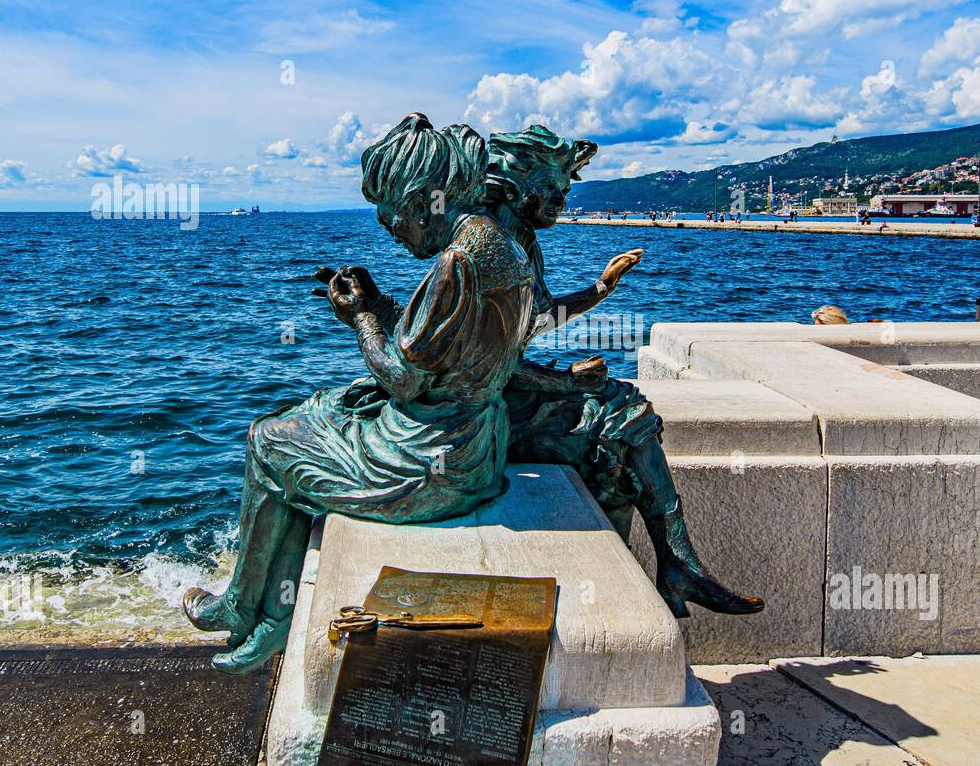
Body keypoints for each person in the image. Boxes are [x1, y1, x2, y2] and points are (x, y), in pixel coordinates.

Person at [183, 114, 534, 673]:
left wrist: (360, 317)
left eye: (390, 211)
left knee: (268, 442)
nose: (388, 225)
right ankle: (272, 615)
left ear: (423, 202)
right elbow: (441, 345)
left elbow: (403, 377)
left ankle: (246, 608)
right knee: (316, 413)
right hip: (477, 444)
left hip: (429, 460)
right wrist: (381, 302)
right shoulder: (500, 247)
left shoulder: (456, 263)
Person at [485, 125, 763, 617]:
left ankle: (668, 570)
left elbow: (538, 320)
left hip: (513, 395)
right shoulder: (495, 251)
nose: (561, 200)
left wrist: (602, 286)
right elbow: (494, 365)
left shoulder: (519, 242)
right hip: (492, 414)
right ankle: (672, 569)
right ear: (514, 184)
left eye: (566, 190)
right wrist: (571, 382)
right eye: (551, 189)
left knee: (624, 412)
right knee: (622, 416)